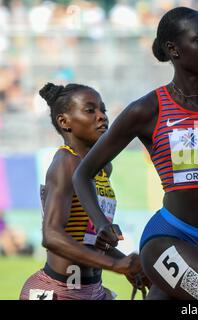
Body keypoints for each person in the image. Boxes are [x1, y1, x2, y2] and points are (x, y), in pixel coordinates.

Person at [73, 7, 198, 300]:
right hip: (166, 243)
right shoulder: (146, 110)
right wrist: (101, 223)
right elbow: (83, 173)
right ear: (174, 49)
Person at [20, 83, 147, 300]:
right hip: (58, 290)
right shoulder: (66, 162)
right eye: (90, 110)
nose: (101, 117)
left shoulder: (104, 167)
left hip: (93, 290)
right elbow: (51, 236)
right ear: (64, 121)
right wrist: (116, 265)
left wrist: (127, 265)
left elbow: (88, 240)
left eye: (103, 110)